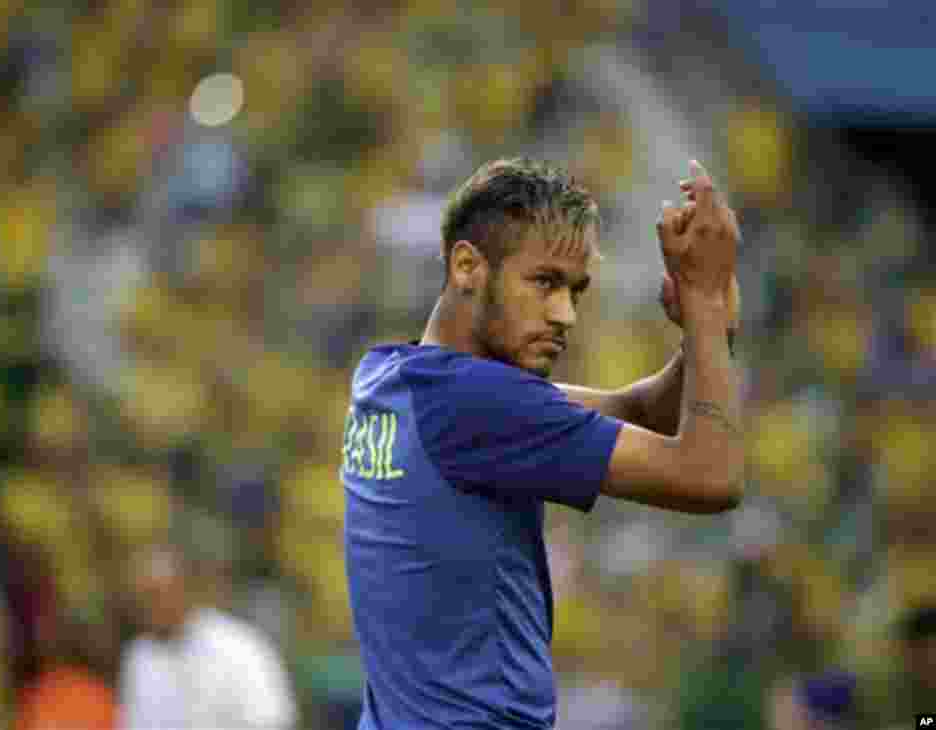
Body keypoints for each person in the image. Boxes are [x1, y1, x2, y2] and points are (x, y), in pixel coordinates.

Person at [342, 157, 744, 729]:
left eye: (576, 291)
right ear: (466, 265)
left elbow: (639, 411)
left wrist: (708, 333)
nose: (565, 314)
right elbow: (712, 478)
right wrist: (703, 306)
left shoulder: (390, 377)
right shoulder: (476, 403)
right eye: (545, 282)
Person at [119, 543, 299, 730]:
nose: (149, 608)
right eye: (142, 599)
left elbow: (273, 722)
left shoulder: (239, 647)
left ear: (184, 590)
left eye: (156, 596)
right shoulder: (139, 656)